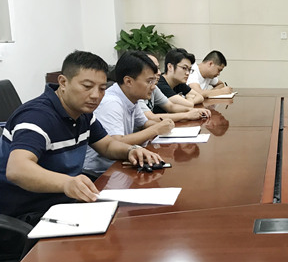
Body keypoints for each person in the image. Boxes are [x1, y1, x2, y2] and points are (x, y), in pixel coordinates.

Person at [0, 50, 164, 223]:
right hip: (28, 212)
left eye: (102, 89)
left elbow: (107, 145)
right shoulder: (37, 116)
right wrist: (67, 183)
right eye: (87, 86)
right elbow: (17, 170)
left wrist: (131, 150)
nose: (96, 95)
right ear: (63, 82)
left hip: (65, 202)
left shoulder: (83, 113)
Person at [83, 51, 175, 177]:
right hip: (100, 173)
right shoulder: (111, 102)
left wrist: (163, 125)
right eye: (149, 81)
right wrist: (156, 129)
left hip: (121, 163)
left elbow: (144, 123)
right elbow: (116, 142)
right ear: (128, 81)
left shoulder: (131, 97)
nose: (153, 87)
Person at [138, 54, 212, 123]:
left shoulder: (154, 87)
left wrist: (194, 110)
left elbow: (171, 106)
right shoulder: (138, 91)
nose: (159, 72)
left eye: (158, 68)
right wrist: (187, 115)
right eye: (184, 68)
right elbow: (150, 117)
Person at [156, 48, 204, 112]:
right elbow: (189, 105)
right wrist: (189, 98)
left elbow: (200, 97)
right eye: (184, 68)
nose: (187, 73)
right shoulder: (160, 84)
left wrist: (190, 101)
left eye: (189, 69)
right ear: (170, 67)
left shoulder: (178, 82)